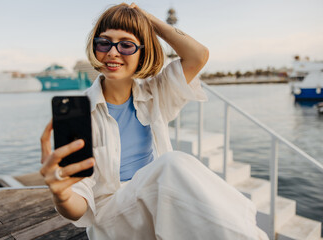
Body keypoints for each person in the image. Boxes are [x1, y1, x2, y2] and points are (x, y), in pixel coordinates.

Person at [40, 3, 268, 240]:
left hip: (156, 206)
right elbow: (80, 207)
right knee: (173, 164)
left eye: (126, 45)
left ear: (143, 52)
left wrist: (146, 19)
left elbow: (198, 55)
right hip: (112, 219)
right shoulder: (81, 115)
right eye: (104, 42)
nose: (112, 52)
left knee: (180, 173)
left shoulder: (154, 94)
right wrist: (62, 194)